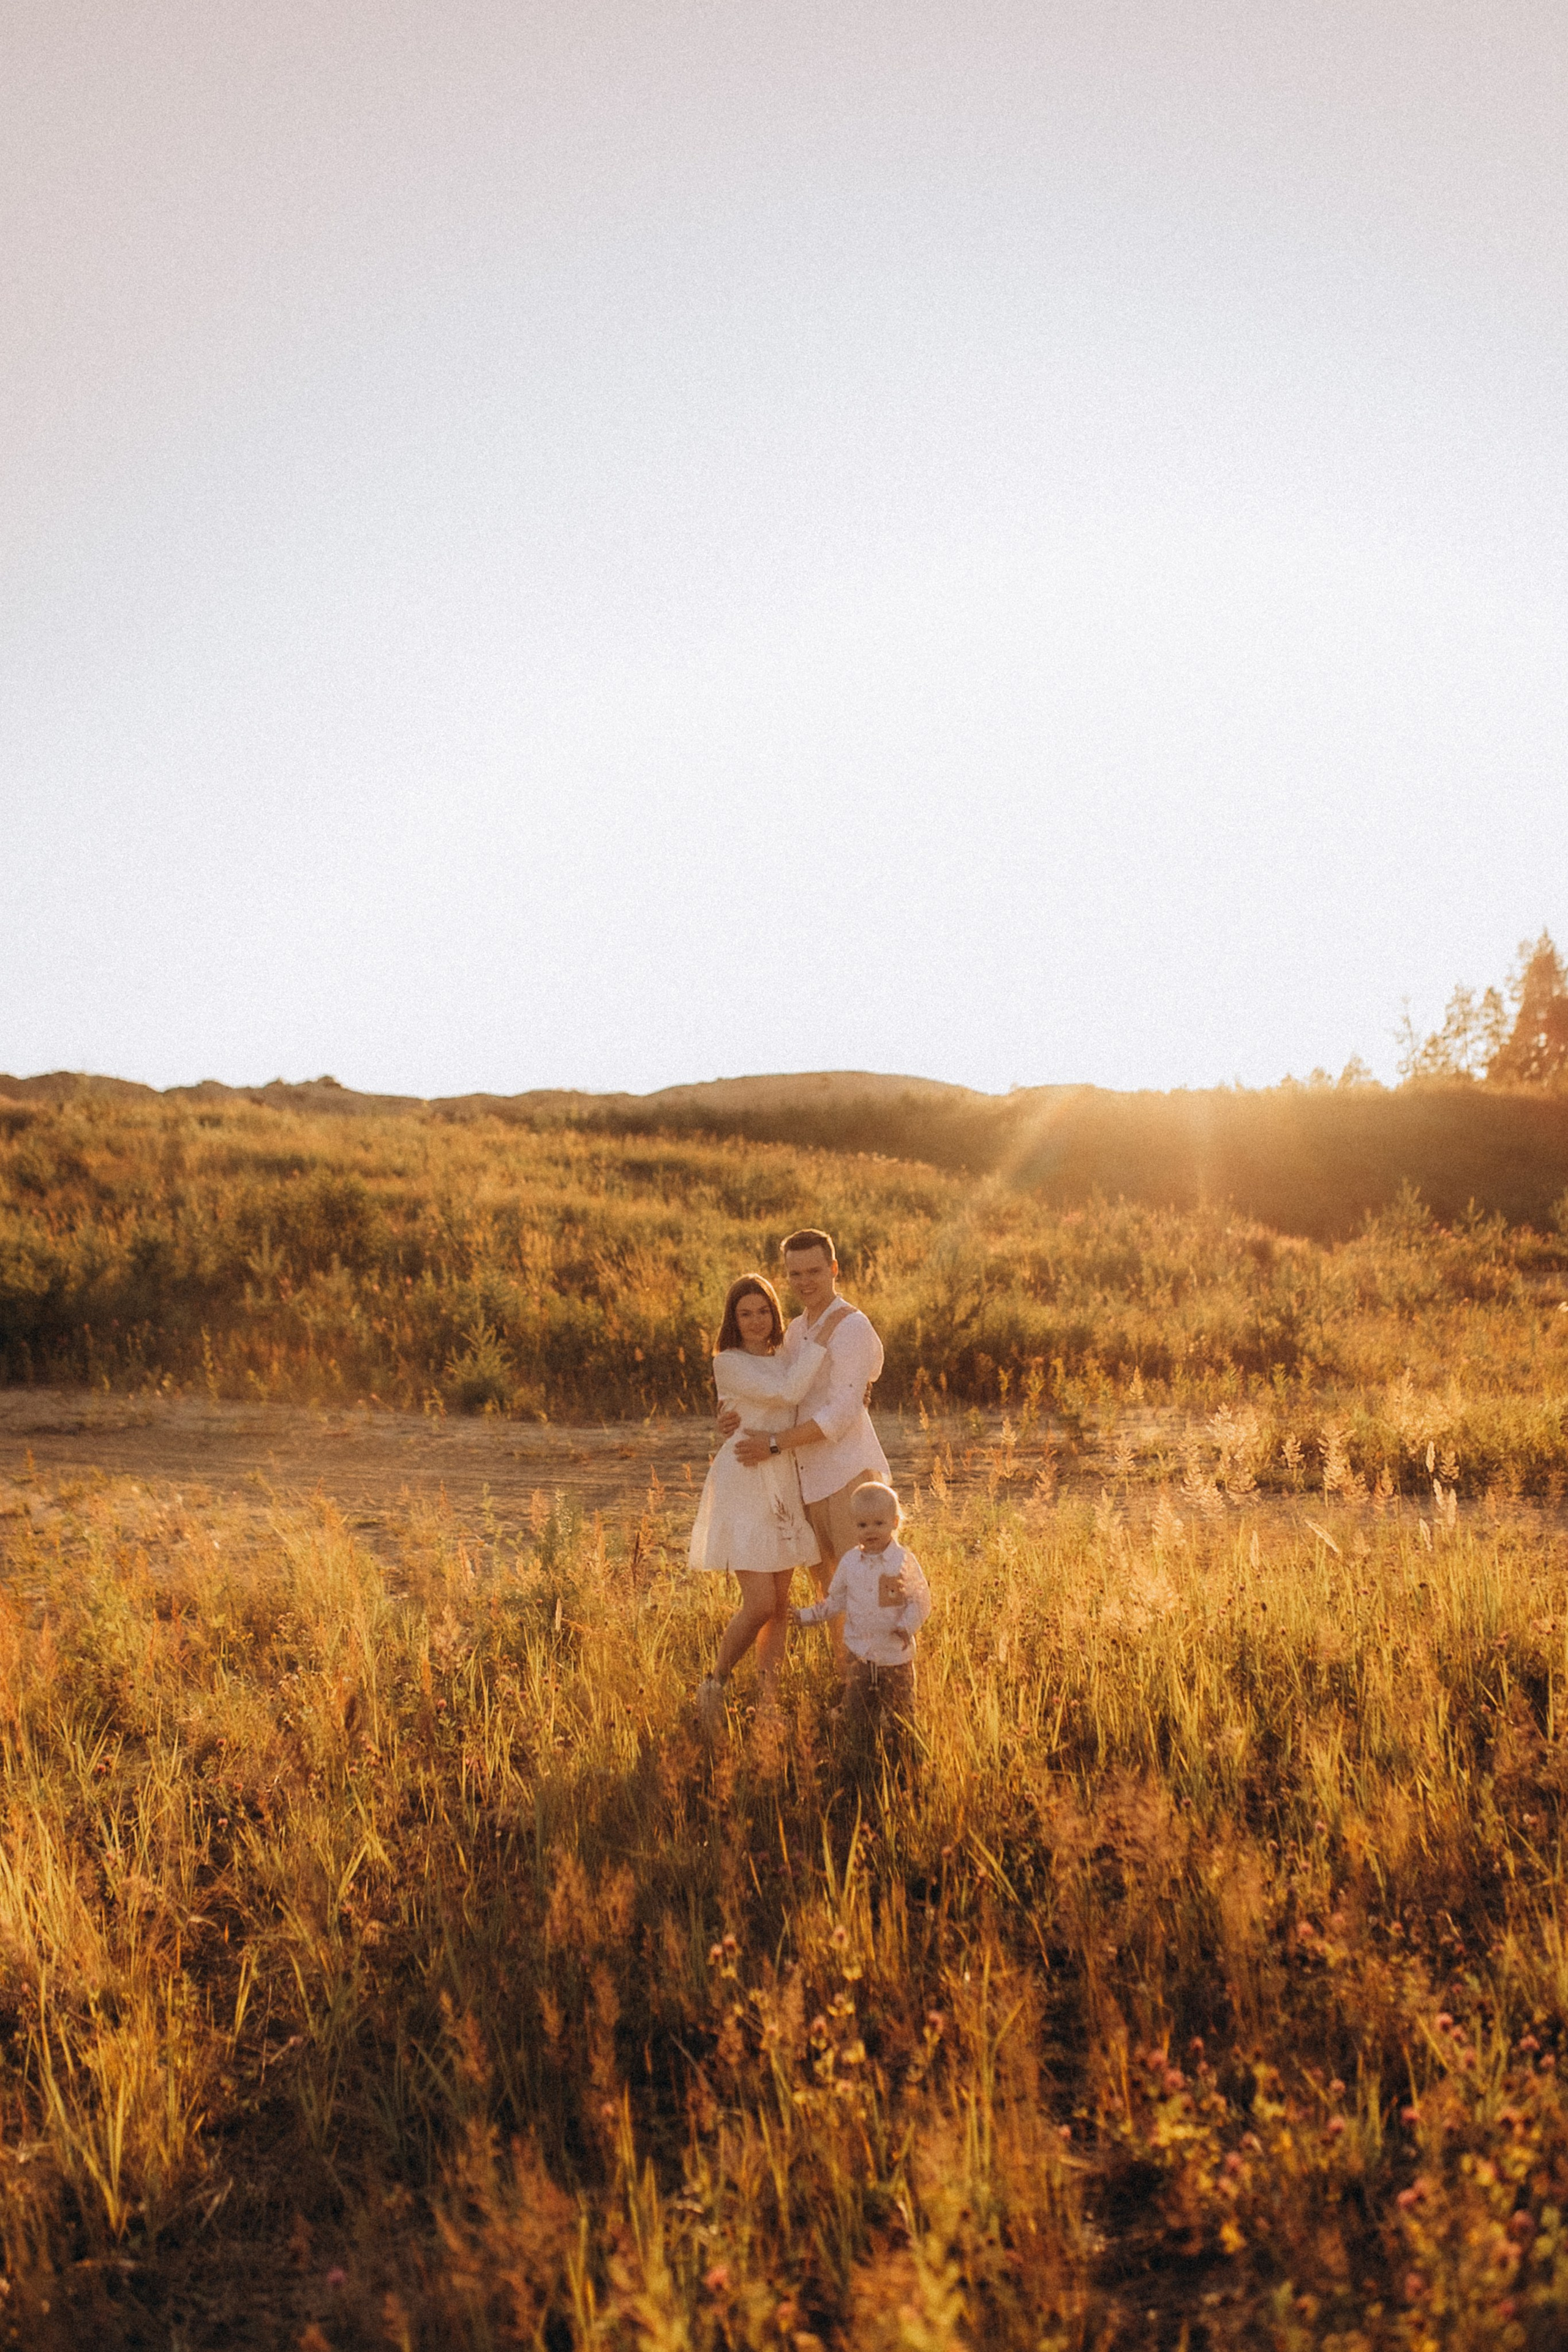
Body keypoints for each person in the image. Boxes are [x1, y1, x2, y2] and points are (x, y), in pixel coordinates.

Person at [721, 1229, 889, 1662]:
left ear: (834, 1269)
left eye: (815, 1270)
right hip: (806, 1478)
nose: (805, 1281)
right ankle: (847, 1684)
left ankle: (879, 1685)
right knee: (830, 1592)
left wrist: (773, 1444)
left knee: (865, 1585)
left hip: (848, 1473)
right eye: (795, 1273)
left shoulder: (851, 1324)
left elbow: (842, 1412)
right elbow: (781, 1394)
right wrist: (732, 1415)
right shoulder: (796, 1331)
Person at [690, 1275, 827, 1729]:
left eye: (763, 1312)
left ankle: (767, 1704)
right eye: (745, 1314)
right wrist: (820, 1343)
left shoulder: (785, 1355)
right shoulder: (726, 1362)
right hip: (745, 1477)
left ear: (774, 1315)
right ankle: (714, 1683)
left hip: (782, 1478)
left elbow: (803, 1398)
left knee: (782, 1600)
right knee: (761, 1602)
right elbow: (786, 1393)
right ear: (733, 1319)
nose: (755, 1321)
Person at [790, 1480, 931, 1760]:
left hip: (895, 1657)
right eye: (862, 1525)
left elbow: (921, 1600)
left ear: (894, 1523)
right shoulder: (850, 1563)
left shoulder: (903, 1562)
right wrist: (805, 1616)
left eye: (878, 1523)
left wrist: (907, 1625)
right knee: (857, 1713)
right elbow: (837, 1601)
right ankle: (860, 1760)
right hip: (859, 1656)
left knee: (900, 1714)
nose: (870, 1531)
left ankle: (903, 1762)